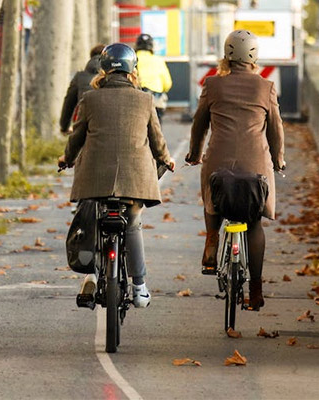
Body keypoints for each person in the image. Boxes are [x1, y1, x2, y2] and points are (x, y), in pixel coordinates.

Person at [58, 43, 175, 308]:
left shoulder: (89, 98)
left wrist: (66, 159)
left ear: (104, 68)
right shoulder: (145, 99)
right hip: (135, 179)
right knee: (132, 224)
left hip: (95, 177)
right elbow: (157, 141)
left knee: (93, 218)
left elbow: (77, 138)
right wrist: (166, 160)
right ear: (133, 70)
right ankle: (140, 287)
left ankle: (90, 276)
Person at [185, 30, 285, 311]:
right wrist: (278, 160)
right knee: (254, 223)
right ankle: (255, 289)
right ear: (254, 57)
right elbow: (276, 130)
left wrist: (194, 154)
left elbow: (199, 124)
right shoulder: (265, 87)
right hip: (256, 167)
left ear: (227, 54)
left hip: (220, 163)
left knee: (211, 196)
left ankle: (212, 239)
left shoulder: (213, 84)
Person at [59, 44, 105, 135]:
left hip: (85, 126)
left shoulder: (79, 77)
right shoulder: (112, 77)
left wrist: (64, 127)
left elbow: (69, 103)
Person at [135, 33, 172, 123]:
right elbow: (167, 84)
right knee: (156, 127)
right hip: (155, 100)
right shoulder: (158, 60)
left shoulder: (133, 59)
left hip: (138, 99)